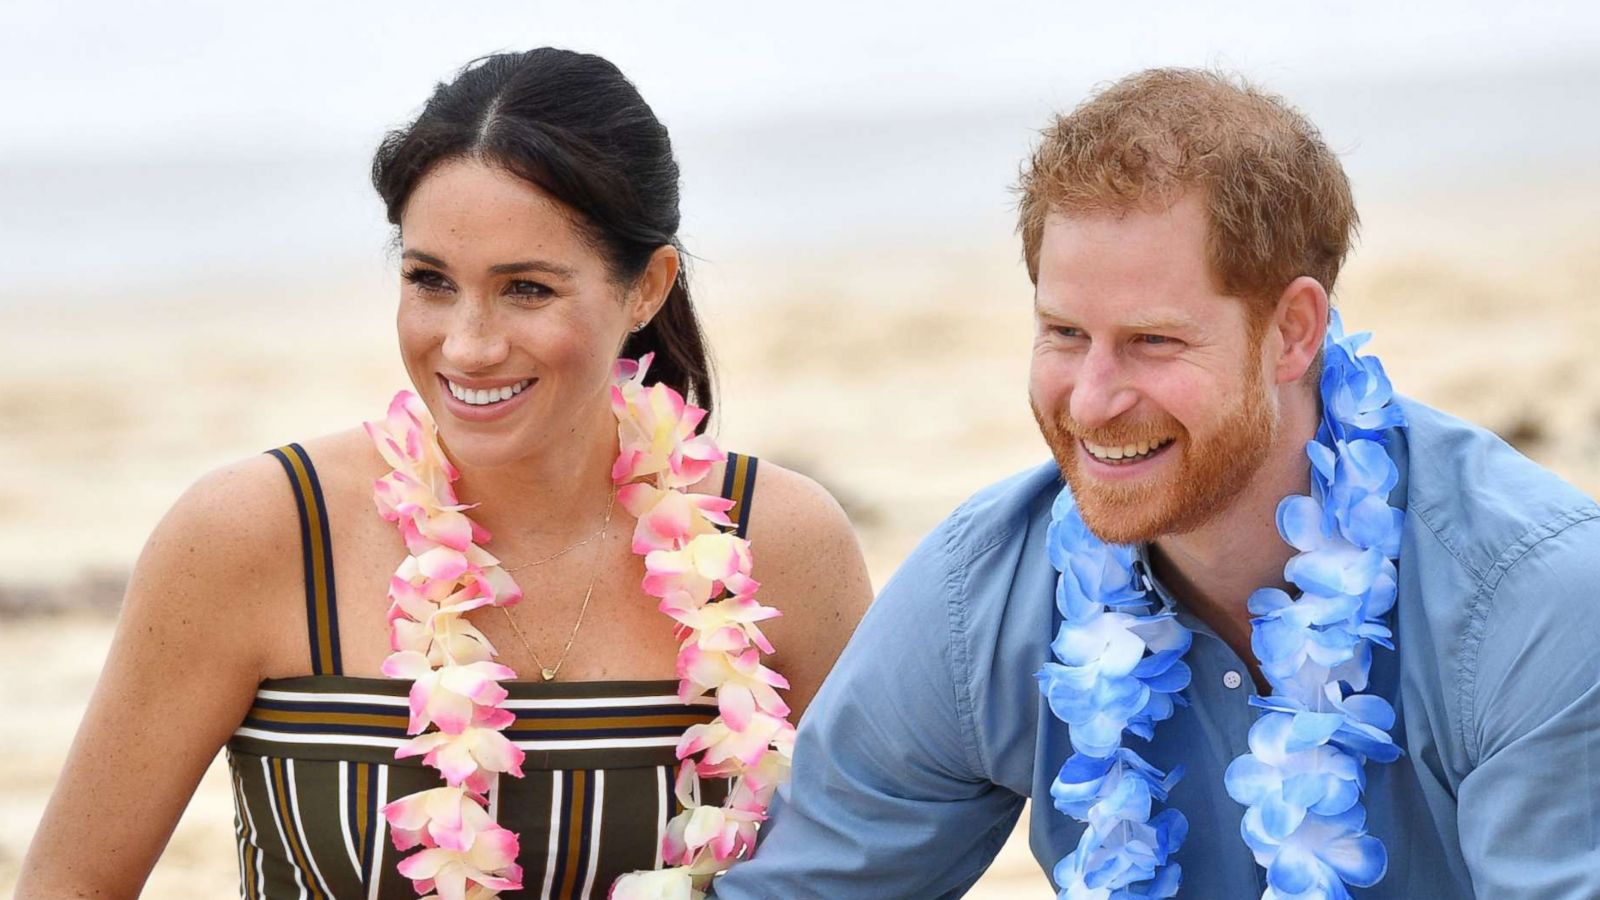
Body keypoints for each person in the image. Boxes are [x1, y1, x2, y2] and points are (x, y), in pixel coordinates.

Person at [711, 69, 1600, 900]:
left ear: (1293, 333)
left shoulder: (1534, 603)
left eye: (1154, 342)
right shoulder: (978, 595)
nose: (1093, 402)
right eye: (1064, 332)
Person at [19, 48, 872, 900]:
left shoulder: (780, 542)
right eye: (430, 280)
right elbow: (70, 887)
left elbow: (875, 872)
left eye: (526, 290)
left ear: (645, 288)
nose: (468, 344)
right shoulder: (256, 534)